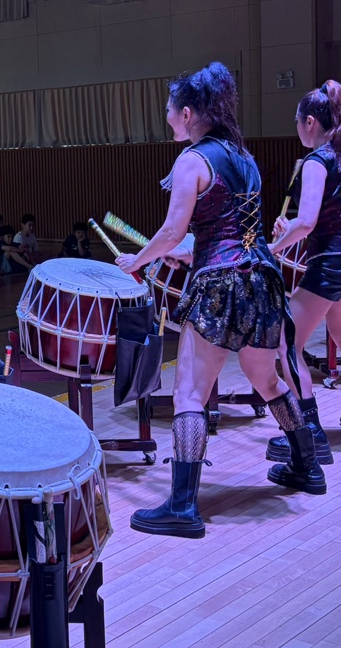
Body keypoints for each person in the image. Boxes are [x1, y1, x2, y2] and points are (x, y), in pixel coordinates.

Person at [115, 63, 325, 540]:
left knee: (190, 392)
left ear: (188, 113)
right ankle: (307, 466)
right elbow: (231, 233)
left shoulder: (192, 161)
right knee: (266, 380)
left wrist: (140, 262)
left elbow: (172, 231)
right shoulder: (242, 156)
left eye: (169, 111)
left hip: (218, 285)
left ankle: (183, 506)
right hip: (261, 280)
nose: (167, 118)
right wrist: (172, 253)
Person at [269, 80, 341, 455]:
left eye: (296, 122)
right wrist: (292, 229)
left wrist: (273, 247)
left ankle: (311, 433)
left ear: (309, 122)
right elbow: (327, 216)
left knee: (287, 345)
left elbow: (306, 222)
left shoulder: (316, 161)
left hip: (329, 263)